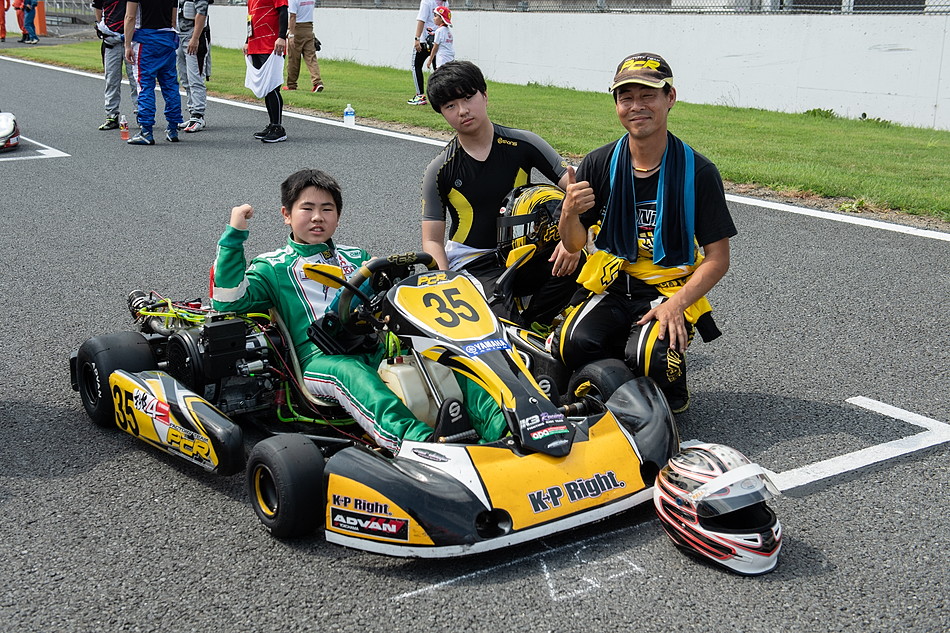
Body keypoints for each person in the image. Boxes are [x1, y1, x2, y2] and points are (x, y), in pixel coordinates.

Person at [211, 169, 507, 452]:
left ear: (337, 217)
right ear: (286, 215)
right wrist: (235, 234)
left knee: (444, 355)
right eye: (307, 209)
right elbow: (228, 300)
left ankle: (503, 426)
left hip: (374, 345)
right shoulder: (273, 266)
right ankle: (419, 443)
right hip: (321, 359)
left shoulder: (357, 257)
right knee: (353, 374)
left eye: (327, 209)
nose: (317, 217)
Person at [555, 53, 737, 413]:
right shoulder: (599, 162)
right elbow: (573, 244)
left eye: (648, 95)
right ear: (617, 106)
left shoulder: (698, 172)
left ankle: (663, 372)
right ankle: (620, 360)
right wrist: (569, 212)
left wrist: (676, 305)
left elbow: (718, 259)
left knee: (652, 359)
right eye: (626, 98)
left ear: (670, 98)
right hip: (613, 283)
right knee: (571, 345)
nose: (636, 106)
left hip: (666, 288)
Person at [420, 60, 581, 327]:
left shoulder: (524, 143)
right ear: (441, 113)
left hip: (524, 250)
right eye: (450, 106)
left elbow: (577, 189)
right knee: (499, 326)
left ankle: (534, 323)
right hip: (474, 262)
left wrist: (573, 240)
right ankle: (517, 326)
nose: (463, 110)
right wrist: (445, 282)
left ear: (484, 95)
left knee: (579, 261)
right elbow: (431, 240)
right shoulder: (439, 169)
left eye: (468, 97)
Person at [124, 0, 183, 145]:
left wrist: (127, 45)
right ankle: (173, 129)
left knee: (145, 86)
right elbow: (173, 21)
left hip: (146, 42)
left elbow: (130, 17)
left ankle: (146, 131)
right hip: (167, 39)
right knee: (170, 86)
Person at [245, 0, 288, 143]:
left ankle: (278, 128)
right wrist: (247, 41)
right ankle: (272, 124)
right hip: (256, 44)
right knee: (265, 87)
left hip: (271, 45)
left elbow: (283, 12)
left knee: (272, 87)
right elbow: (251, 18)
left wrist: (281, 37)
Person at [93, 0, 138, 131]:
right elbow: (97, 7)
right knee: (111, 79)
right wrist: (101, 26)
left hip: (132, 38)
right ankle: (112, 116)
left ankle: (141, 114)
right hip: (111, 39)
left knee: (135, 79)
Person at [175, 0, 211, 133]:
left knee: (195, 77)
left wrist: (195, 38)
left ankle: (198, 115)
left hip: (194, 36)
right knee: (185, 78)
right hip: (179, 35)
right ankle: (192, 113)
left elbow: (202, 12)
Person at [407, 0, 445, 106]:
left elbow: (421, 20)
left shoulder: (426, 1)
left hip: (425, 41)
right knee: (438, 70)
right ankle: (442, 96)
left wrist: (417, 38)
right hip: (437, 40)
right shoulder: (444, 2)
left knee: (416, 66)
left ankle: (420, 96)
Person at [282, 0, 323, 93]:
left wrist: (291, 34)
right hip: (309, 28)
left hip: (296, 28)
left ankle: (291, 84)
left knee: (293, 59)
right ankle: (317, 82)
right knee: (311, 58)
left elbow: (293, 16)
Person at [424, 6, 453, 71]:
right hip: (450, 58)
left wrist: (430, 60)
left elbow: (435, 47)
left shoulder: (439, 31)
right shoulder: (448, 31)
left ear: (441, 18)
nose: (434, 18)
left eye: (435, 16)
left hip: (442, 59)